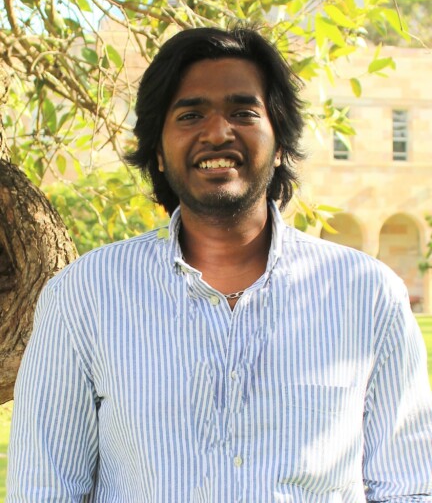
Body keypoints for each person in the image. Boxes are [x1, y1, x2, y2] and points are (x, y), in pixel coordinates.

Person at [7, 26, 432, 502]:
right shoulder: (84, 297)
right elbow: (43, 490)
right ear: (159, 152)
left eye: (243, 112)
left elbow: (408, 489)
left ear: (280, 144)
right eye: (190, 115)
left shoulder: (366, 295)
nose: (217, 133)